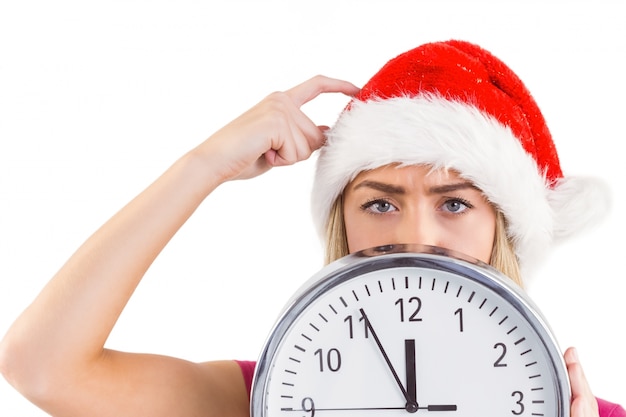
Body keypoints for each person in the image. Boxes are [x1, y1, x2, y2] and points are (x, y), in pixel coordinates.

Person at [0, 40, 622, 417]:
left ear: (503, 227)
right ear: (341, 219)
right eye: (379, 203)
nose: (414, 234)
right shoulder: (277, 395)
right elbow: (41, 366)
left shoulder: (584, 416)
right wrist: (204, 165)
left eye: (454, 204)